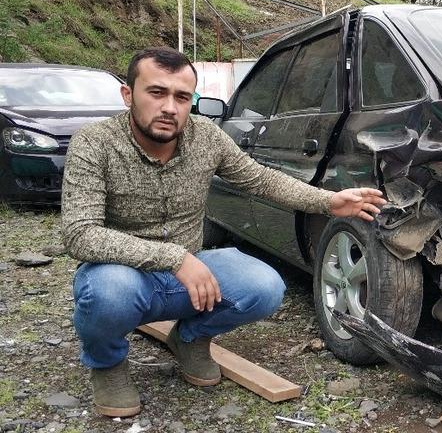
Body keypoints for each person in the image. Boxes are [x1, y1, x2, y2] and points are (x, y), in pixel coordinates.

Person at [61, 47, 387, 417]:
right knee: (107, 293)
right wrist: (175, 258)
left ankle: (190, 339)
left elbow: (261, 179)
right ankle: (107, 364)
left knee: (264, 287)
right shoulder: (94, 142)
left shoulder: (207, 139)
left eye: (182, 97)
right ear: (128, 94)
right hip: (123, 274)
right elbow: (79, 233)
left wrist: (328, 202)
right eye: (157, 92)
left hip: (188, 277)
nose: (170, 107)